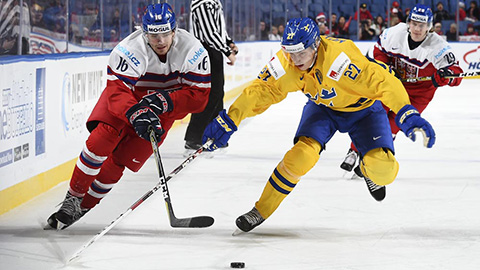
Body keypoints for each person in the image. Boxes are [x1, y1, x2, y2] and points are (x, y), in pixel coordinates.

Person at [202, 17, 436, 233]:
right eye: (290, 52)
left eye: (301, 53)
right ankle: (260, 210)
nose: (295, 60)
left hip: (364, 111)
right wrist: (230, 119)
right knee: (300, 156)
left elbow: (383, 81)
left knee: (384, 171)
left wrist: (406, 113)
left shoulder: (341, 59)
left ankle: (367, 170)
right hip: (323, 108)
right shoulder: (287, 61)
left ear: (315, 45)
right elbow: (261, 91)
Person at [46, 3, 211, 230]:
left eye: (165, 33)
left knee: (122, 160)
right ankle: (72, 199)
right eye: (154, 35)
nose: (160, 40)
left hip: (163, 109)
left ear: (174, 31)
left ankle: (85, 206)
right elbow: (117, 92)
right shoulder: (129, 50)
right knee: (102, 139)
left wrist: (165, 101)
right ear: (144, 33)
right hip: (126, 101)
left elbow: (199, 97)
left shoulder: (193, 51)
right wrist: (135, 111)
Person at [340, 4, 463, 174]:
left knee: (392, 125)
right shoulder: (394, 34)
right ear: (408, 23)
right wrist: (385, 68)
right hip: (393, 86)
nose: (417, 28)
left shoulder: (439, 47)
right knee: (373, 116)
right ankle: (353, 150)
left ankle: (371, 159)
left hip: (418, 95)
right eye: (414, 23)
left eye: (422, 25)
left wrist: (445, 77)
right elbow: (377, 52)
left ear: (429, 26)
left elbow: (456, 75)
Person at [183, 0, 238, 155]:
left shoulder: (212, 1)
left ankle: (214, 132)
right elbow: (209, 34)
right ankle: (194, 137)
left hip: (214, 50)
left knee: (217, 93)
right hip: (206, 51)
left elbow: (218, 29)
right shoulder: (202, 3)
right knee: (210, 94)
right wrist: (227, 51)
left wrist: (229, 42)